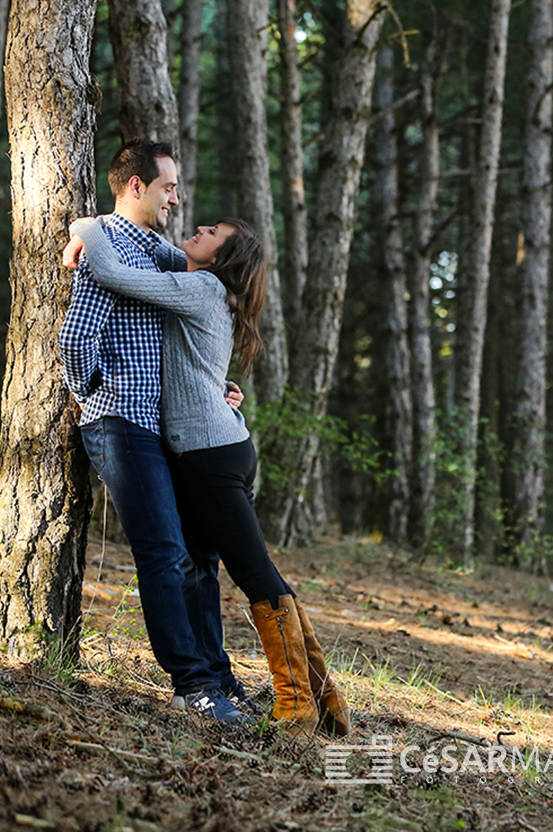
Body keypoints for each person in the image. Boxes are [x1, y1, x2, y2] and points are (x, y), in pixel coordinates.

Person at [65, 212, 352, 738]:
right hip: (215, 447)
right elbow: (152, 249)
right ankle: (324, 698)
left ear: (221, 259)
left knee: (255, 575)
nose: (199, 230)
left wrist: (84, 227)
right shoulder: (205, 283)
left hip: (212, 456)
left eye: (213, 234)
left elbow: (114, 273)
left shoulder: (200, 288)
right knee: (212, 565)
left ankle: (297, 705)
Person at [57, 141, 249, 724]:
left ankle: (216, 673)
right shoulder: (108, 247)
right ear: (135, 186)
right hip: (120, 422)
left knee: (195, 555)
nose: (176, 198)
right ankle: (192, 684)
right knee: (164, 552)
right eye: (167, 187)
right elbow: (74, 338)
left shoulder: (162, 254)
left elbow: (194, 333)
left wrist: (217, 389)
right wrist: (98, 395)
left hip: (163, 429)